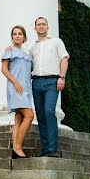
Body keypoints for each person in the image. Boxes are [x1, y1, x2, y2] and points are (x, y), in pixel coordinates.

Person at [29, 17, 69, 157]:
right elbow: (29, 67)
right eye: (38, 25)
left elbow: (64, 58)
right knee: (40, 115)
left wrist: (62, 77)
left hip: (52, 82)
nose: (41, 26)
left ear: (47, 27)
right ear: (35, 28)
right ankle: (45, 149)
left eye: (43, 24)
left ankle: (52, 149)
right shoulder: (33, 48)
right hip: (36, 83)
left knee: (48, 111)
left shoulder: (56, 42)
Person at [0, 25, 34, 159]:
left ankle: (15, 149)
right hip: (16, 88)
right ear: (12, 37)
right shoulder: (10, 49)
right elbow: (4, 69)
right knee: (29, 115)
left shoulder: (27, 55)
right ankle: (18, 147)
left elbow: (27, 73)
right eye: (15, 34)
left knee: (19, 119)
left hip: (26, 88)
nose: (17, 36)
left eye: (20, 34)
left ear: (24, 37)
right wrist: (15, 83)